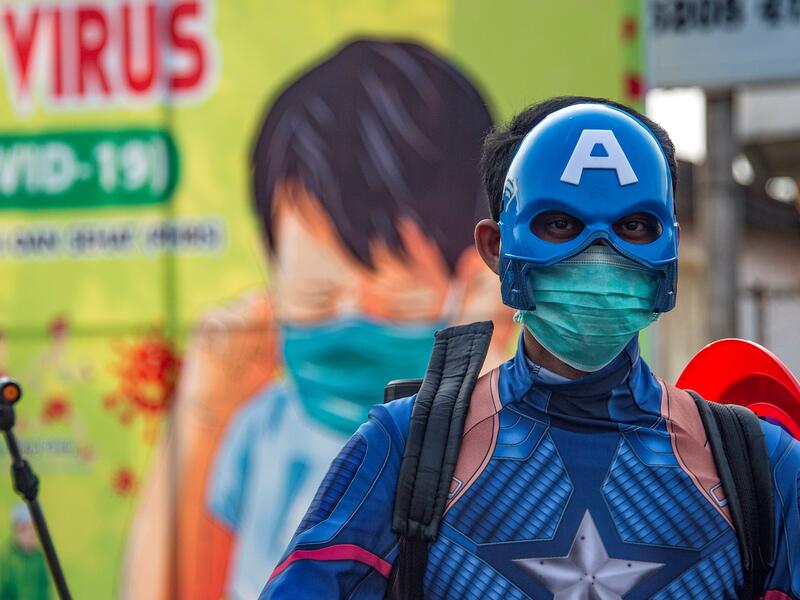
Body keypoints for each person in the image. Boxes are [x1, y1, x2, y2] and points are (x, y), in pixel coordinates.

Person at [260, 96, 800, 599]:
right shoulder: (403, 453)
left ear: (670, 246)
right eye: (560, 223)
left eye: (634, 225)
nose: (599, 255)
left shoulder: (763, 468)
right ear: (497, 248)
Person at [122, 39, 514, 600]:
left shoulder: (495, 419)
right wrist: (202, 412)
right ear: (272, 275)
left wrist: (488, 370)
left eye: (398, 300)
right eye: (317, 295)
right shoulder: (266, 429)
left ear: (475, 278)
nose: (351, 320)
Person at [0, 504, 50, 600]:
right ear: (15, 530)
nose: (29, 534)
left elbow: (44, 590)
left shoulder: (40, 558)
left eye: (32, 528)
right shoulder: (6, 559)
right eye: (23, 529)